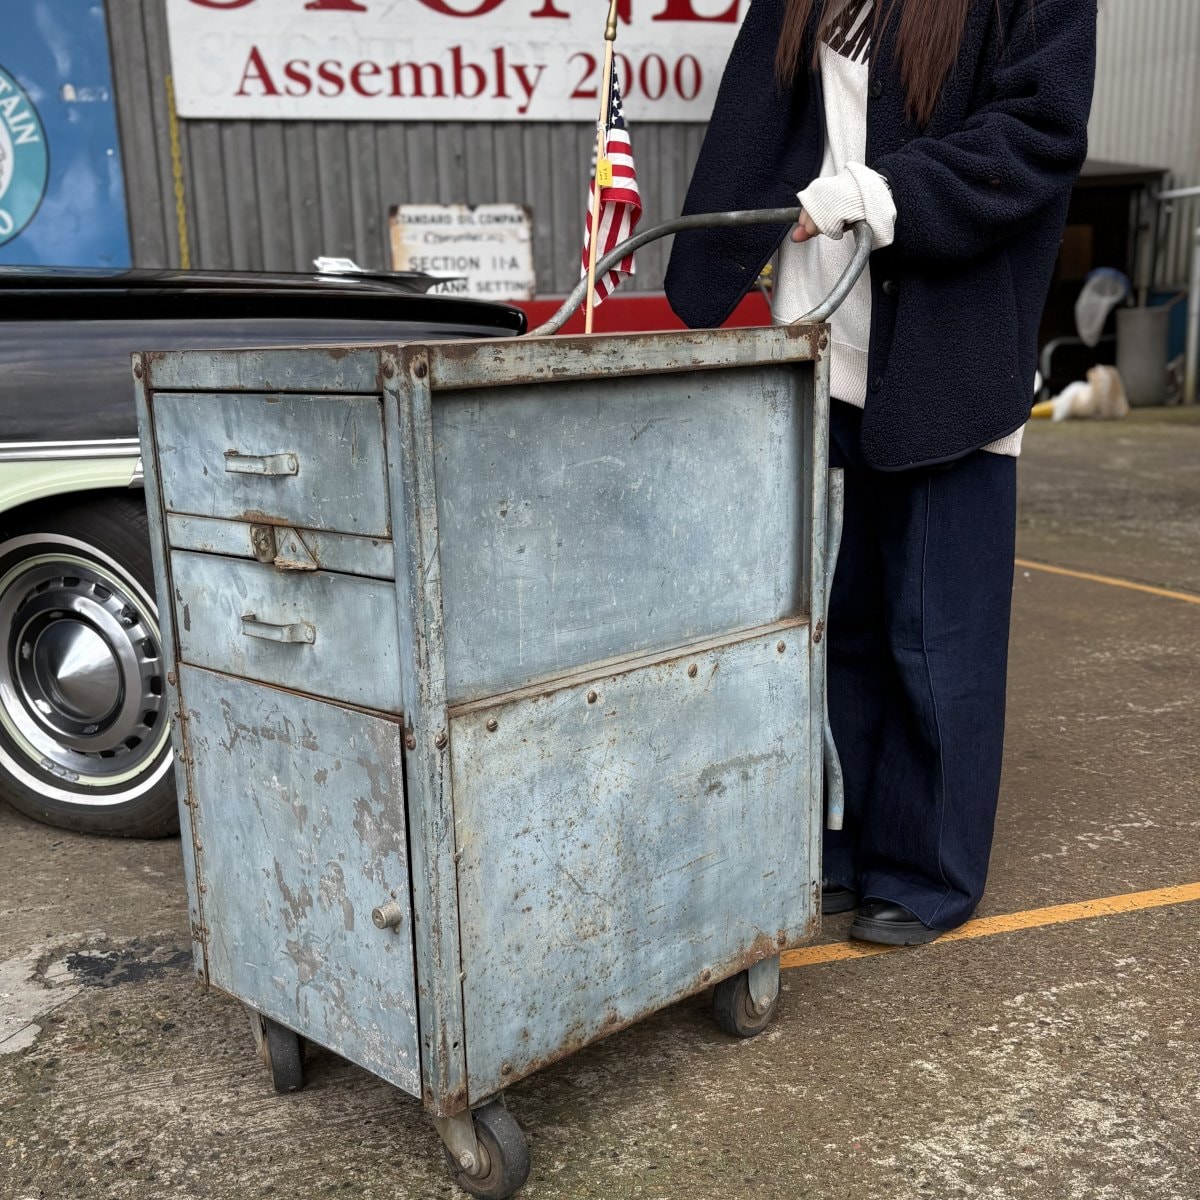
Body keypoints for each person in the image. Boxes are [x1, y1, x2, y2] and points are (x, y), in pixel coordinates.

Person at [665, 0, 1097, 946]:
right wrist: (708, 261)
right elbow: (757, 108)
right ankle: (839, 846)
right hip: (822, 330)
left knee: (935, 632)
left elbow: (1042, 128)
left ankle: (925, 866)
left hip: (950, 343)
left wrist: (886, 190)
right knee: (837, 619)